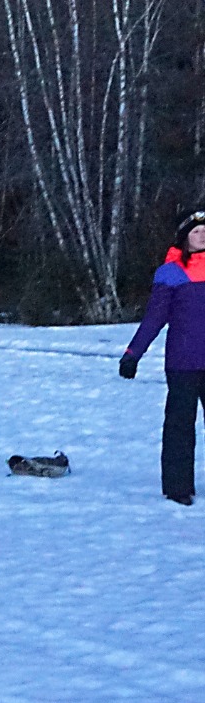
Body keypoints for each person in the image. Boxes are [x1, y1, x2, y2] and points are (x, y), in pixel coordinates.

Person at [120, 209, 205, 506]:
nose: (202, 235)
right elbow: (154, 319)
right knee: (180, 427)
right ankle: (178, 488)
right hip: (183, 364)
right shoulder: (169, 274)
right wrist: (133, 354)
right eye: (196, 232)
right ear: (184, 238)